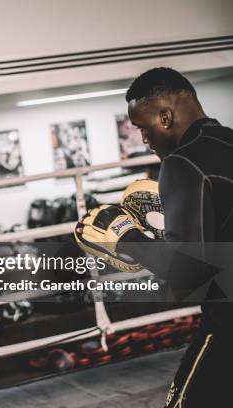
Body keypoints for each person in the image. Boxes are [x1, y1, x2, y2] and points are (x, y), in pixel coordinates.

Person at [75, 67, 233, 407]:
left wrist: (123, 235)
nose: (144, 141)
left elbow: (187, 276)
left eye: (143, 128)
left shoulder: (181, 164)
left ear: (165, 117)